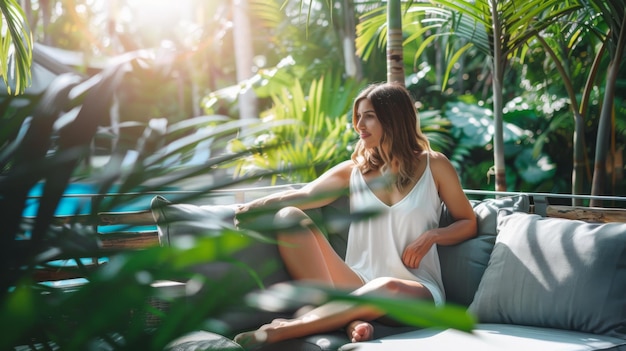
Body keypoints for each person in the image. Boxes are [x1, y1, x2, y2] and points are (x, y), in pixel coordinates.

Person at [232, 81, 477, 349]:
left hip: (415, 291)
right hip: (357, 282)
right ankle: (349, 320)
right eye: (358, 117)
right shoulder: (353, 171)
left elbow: (468, 222)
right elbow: (303, 196)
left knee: (387, 286)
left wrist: (432, 236)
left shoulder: (435, 165)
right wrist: (254, 207)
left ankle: (282, 330)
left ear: (393, 118)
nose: (359, 125)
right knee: (289, 217)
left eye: (368, 117)